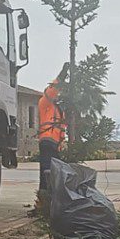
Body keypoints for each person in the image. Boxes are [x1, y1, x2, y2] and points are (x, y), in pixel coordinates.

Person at [37, 62, 70, 191]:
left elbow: (62, 130)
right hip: (46, 141)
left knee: (54, 173)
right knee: (47, 171)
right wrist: (62, 75)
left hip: (55, 145)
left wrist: (62, 144)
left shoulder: (59, 110)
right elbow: (52, 90)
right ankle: (44, 196)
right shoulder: (45, 103)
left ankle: (50, 195)